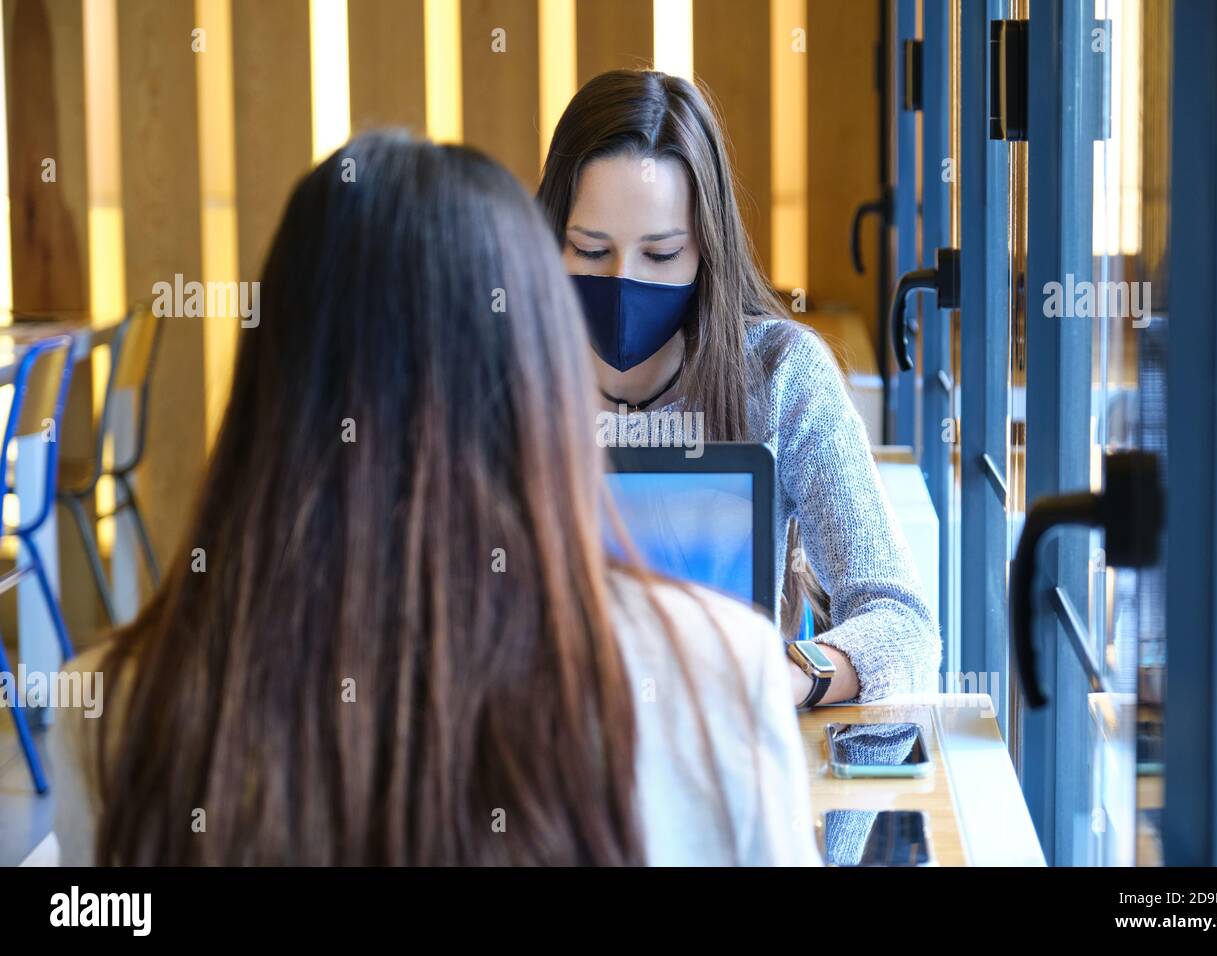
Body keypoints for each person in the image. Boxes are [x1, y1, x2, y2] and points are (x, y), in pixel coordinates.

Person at [49, 131, 820, 867]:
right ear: (542, 372)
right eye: (592, 252)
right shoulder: (721, 672)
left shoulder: (116, 715)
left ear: (270, 382)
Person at [538, 69, 940, 706]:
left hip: (724, 758)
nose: (624, 281)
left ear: (707, 250)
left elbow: (903, 628)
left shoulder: (782, 376)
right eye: (590, 251)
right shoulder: (498, 377)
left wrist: (788, 675)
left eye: (661, 255)